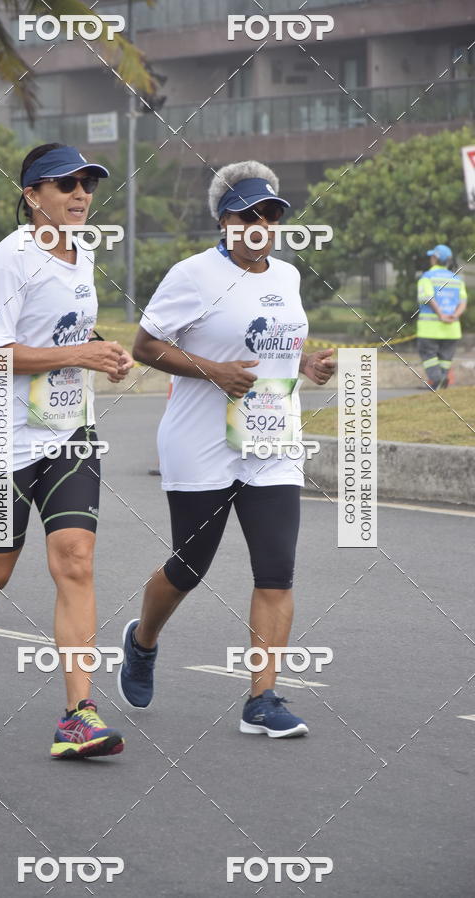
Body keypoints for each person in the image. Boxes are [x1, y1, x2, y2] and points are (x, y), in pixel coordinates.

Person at [0, 143, 134, 759]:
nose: (80, 194)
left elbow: (61, 329)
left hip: (67, 430)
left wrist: (100, 347)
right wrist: (78, 354)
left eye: (87, 184)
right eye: (64, 184)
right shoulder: (8, 261)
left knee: (76, 558)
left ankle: (78, 715)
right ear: (31, 195)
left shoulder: (80, 254)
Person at [117, 160, 335, 738]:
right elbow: (144, 346)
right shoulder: (192, 275)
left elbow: (278, 343)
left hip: (271, 442)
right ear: (224, 219)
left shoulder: (286, 277)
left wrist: (306, 363)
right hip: (200, 444)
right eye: (248, 215)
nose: (261, 224)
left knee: (277, 573)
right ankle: (142, 642)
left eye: (271, 214)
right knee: (190, 566)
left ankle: (262, 699)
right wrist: (211, 370)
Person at [417, 244, 467, 389]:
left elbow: (427, 297)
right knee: (445, 358)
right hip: (452, 329)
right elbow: (462, 302)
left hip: (430, 329)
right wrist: (454, 316)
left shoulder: (427, 277)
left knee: (428, 354)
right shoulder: (457, 279)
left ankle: (437, 379)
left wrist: (441, 315)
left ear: (434, 258)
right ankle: (441, 384)